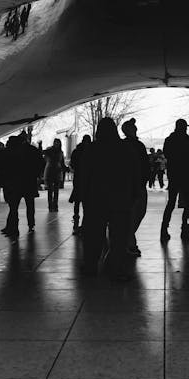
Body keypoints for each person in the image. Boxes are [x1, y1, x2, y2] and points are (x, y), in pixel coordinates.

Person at [76, 117, 138, 280]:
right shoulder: (125, 149)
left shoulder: (92, 149)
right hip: (120, 199)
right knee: (119, 237)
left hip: (97, 199)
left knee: (94, 235)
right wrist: (133, 196)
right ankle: (116, 267)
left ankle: (91, 265)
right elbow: (134, 174)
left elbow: (84, 175)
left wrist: (84, 197)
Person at [161, 119, 189, 242]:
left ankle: (164, 229)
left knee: (171, 203)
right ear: (184, 127)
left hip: (174, 175)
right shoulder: (188, 139)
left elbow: (167, 154)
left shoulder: (169, 140)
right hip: (186, 175)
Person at [0, 134, 43, 239]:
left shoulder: (12, 151)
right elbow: (40, 163)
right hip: (29, 181)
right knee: (29, 204)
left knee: (13, 206)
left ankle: (13, 227)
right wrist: (36, 176)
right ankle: (31, 224)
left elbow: (6, 167)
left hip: (15, 182)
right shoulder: (32, 150)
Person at [121, 118, 150, 256]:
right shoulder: (138, 146)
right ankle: (129, 241)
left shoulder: (124, 145)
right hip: (137, 184)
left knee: (132, 213)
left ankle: (127, 240)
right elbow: (144, 165)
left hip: (128, 184)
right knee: (138, 212)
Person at [69, 134, 92, 233]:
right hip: (89, 179)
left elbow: (72, 164)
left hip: (78, 178)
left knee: (77, 199)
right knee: (87, 201)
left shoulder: (77, 151)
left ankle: (76, 217)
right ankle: (86, 220)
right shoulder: (91, 151)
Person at [43, 138, 65, 212]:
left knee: (54, 190)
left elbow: (62, 163)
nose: (56, 144)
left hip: (54, 172)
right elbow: (62, 163)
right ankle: (52, 206)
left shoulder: (51, 151)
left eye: (57, 143)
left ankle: (53, 205)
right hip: (53, 172)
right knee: (52, 190)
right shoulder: (58, 152)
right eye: (56, 143)